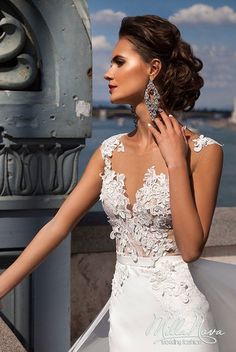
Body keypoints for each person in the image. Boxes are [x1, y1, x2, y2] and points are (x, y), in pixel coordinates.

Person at [0, 14, 235, 352]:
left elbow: (191, 248)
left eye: (119, 61)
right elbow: (58, 225)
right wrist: (3, 285)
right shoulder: (109, 152)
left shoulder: (204, 151)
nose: (107, 73)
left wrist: (174, 162)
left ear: (152, 69)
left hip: (181, 325)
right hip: (126, 319)